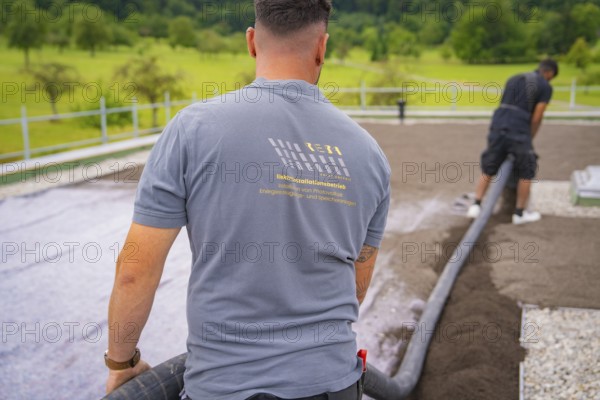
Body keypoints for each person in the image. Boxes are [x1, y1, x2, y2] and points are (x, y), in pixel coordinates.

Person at [104, 1, 391, 399]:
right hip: (334, 383)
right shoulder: (369, 153)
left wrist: (122, 363)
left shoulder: (193, 129)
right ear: (322, 47)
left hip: (223, 387)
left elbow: (135, 269)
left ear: (252, 42)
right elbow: (358, 282)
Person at [467, 59, 558, 225]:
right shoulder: (545, 86)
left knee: (490, 165)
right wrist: (529, 136)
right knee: (527, 169)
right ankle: (519, 214)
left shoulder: (514, 78)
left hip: (499, 123)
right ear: (550, 73)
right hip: (519, 127)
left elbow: (504, 103)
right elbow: (538, 115)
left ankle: (475, 205)